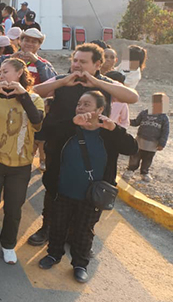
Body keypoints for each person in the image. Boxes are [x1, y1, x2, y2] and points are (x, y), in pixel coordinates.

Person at [27, 43, 139, 247]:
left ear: (97, 65)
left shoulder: (105, 83)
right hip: (60, 145)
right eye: (75, 60)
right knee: (53, 186)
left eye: (83, 62)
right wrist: (62, 83)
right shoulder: (63, 80)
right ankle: (47, 227)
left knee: (86, 191)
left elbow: (132, 97)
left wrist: (97, 82)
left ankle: (75, 234)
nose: (77, 65)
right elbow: (33, 92)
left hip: (93, 147)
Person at [38, 91, 137, 283]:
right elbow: (48, 134)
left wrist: (114, 129)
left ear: (100, 109)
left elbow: (132, 148)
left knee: (84, 231)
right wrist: (71, 123)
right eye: (79, 104)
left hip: (92, 196)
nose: (81, 108)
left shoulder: (108, 133)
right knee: (57, 226)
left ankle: (80, 264)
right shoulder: (70, 127)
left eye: (87, 104)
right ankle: (54, 255)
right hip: (63, 191)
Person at [0, 58, 45, 264]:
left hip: (20, 165)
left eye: (5, 71)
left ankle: (8, 244)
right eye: (0, 72)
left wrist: (23, 95)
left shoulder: (34, 99)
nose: (1, 75)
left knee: (13, 208)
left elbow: (37, 121)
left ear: (19, 73)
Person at [124, 93, 169, 183]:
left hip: (152, 145)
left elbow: (165, 132)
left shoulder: (164, 118)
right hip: (140, 141)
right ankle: (130, 170)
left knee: (147, 159)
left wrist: (162, 144)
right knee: (134, 157)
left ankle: (144, 172)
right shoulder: (144, 113)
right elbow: (136, 122)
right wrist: (126, 120)